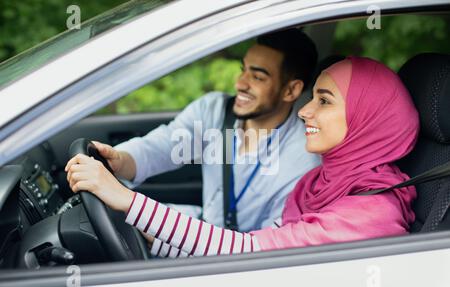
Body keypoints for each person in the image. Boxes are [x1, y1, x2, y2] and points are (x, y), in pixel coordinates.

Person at [66, 56, 419, 257]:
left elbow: (248, 252)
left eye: (323, 101)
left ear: (367, 118)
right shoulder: (324, 183)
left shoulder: (370, 215)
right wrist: (155, 240)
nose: (304, 112)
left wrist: (128, 202)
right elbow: (260, 253)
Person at [85, 28, 320, 240]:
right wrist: (120, 160)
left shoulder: (302, 163)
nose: (240, 83)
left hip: (235, 258)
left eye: (257, 77)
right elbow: (161, 147)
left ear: (291, 90)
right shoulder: (214, 111)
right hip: (201, 223)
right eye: (243, 70)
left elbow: (267, 248)